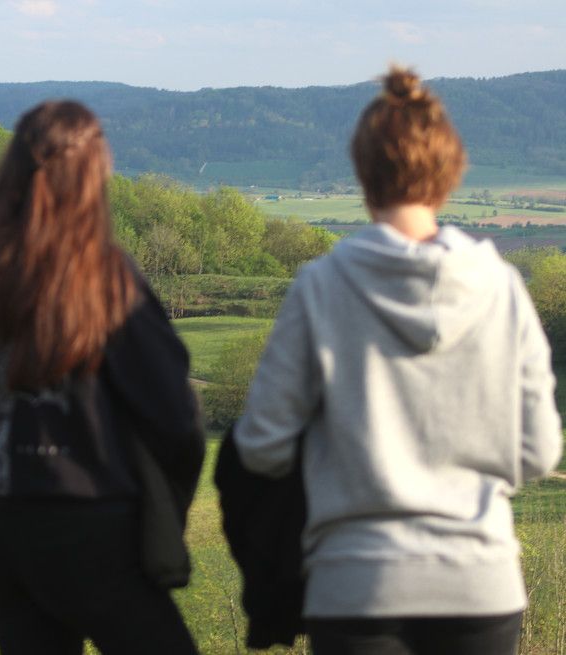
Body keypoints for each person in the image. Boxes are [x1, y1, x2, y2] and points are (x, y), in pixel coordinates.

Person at [232, 66, 563, 655]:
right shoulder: (502, 288)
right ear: (451, 170)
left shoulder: (321, 286)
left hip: (355, 585)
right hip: (479, 584)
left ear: (362, 171)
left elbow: (262, 444)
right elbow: (539, 451)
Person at [0, 100, 204, 654]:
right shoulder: (103, 278)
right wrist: (162, 519)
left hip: (2, 528)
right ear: (92, 174)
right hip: (90, 529)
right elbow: (176, 420)